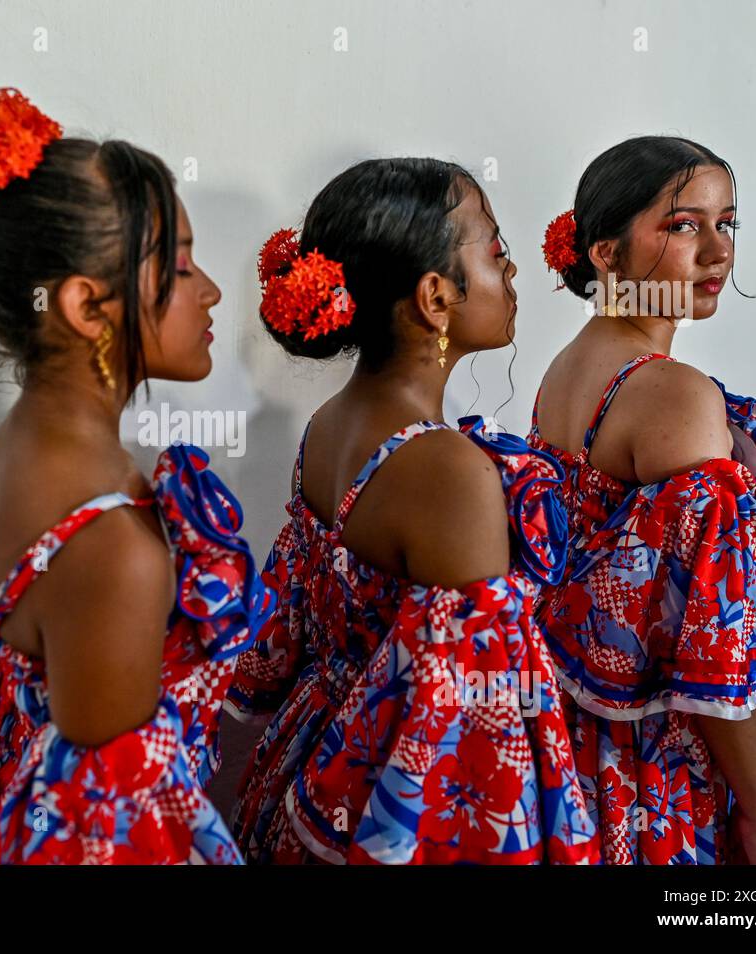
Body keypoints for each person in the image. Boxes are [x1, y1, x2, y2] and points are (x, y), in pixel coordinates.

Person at [0, 88, 273, 864]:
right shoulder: (109, 541)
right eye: (184, 264)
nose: (212, 292)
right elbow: (110, 836)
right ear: (87, 306)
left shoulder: (18, 449)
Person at [227, 157, 598, 864]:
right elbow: (472, 732)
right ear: (435, 296)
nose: (512, 274)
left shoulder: (332, 423)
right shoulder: (445, 470)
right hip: (391, 803)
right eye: (497, 252)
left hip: (310, 764)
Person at [529, 135, 756, 864]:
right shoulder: (669, 394)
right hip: (642, 765)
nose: (718, 252)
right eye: (684, 225)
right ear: (605, 252)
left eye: (729, 223)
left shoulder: (569, 367)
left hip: (562, 742)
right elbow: (709, 656)